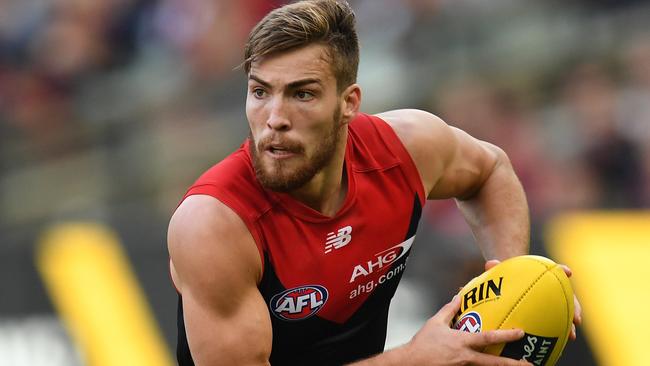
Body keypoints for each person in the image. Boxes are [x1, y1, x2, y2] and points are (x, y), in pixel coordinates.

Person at [167, 1, 581, 365]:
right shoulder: (213, 224)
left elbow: (490, 170)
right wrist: (414, 360)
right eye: (260, 92)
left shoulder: (406, 150)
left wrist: (511, 285)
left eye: (302, 94)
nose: (274, 118)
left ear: (349, 103)